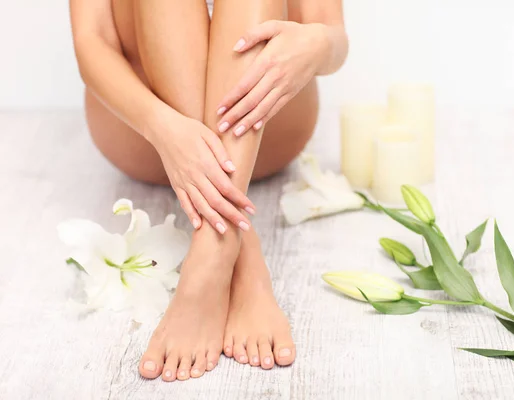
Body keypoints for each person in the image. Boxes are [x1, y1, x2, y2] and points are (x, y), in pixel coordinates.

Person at [69, 0, 347, 382]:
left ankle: (208, 263)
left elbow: (333, 35)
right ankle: (235, 252)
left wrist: (317, 43)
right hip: (143, 132)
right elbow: (91, 40)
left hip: (271, 124)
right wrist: (163, 127)